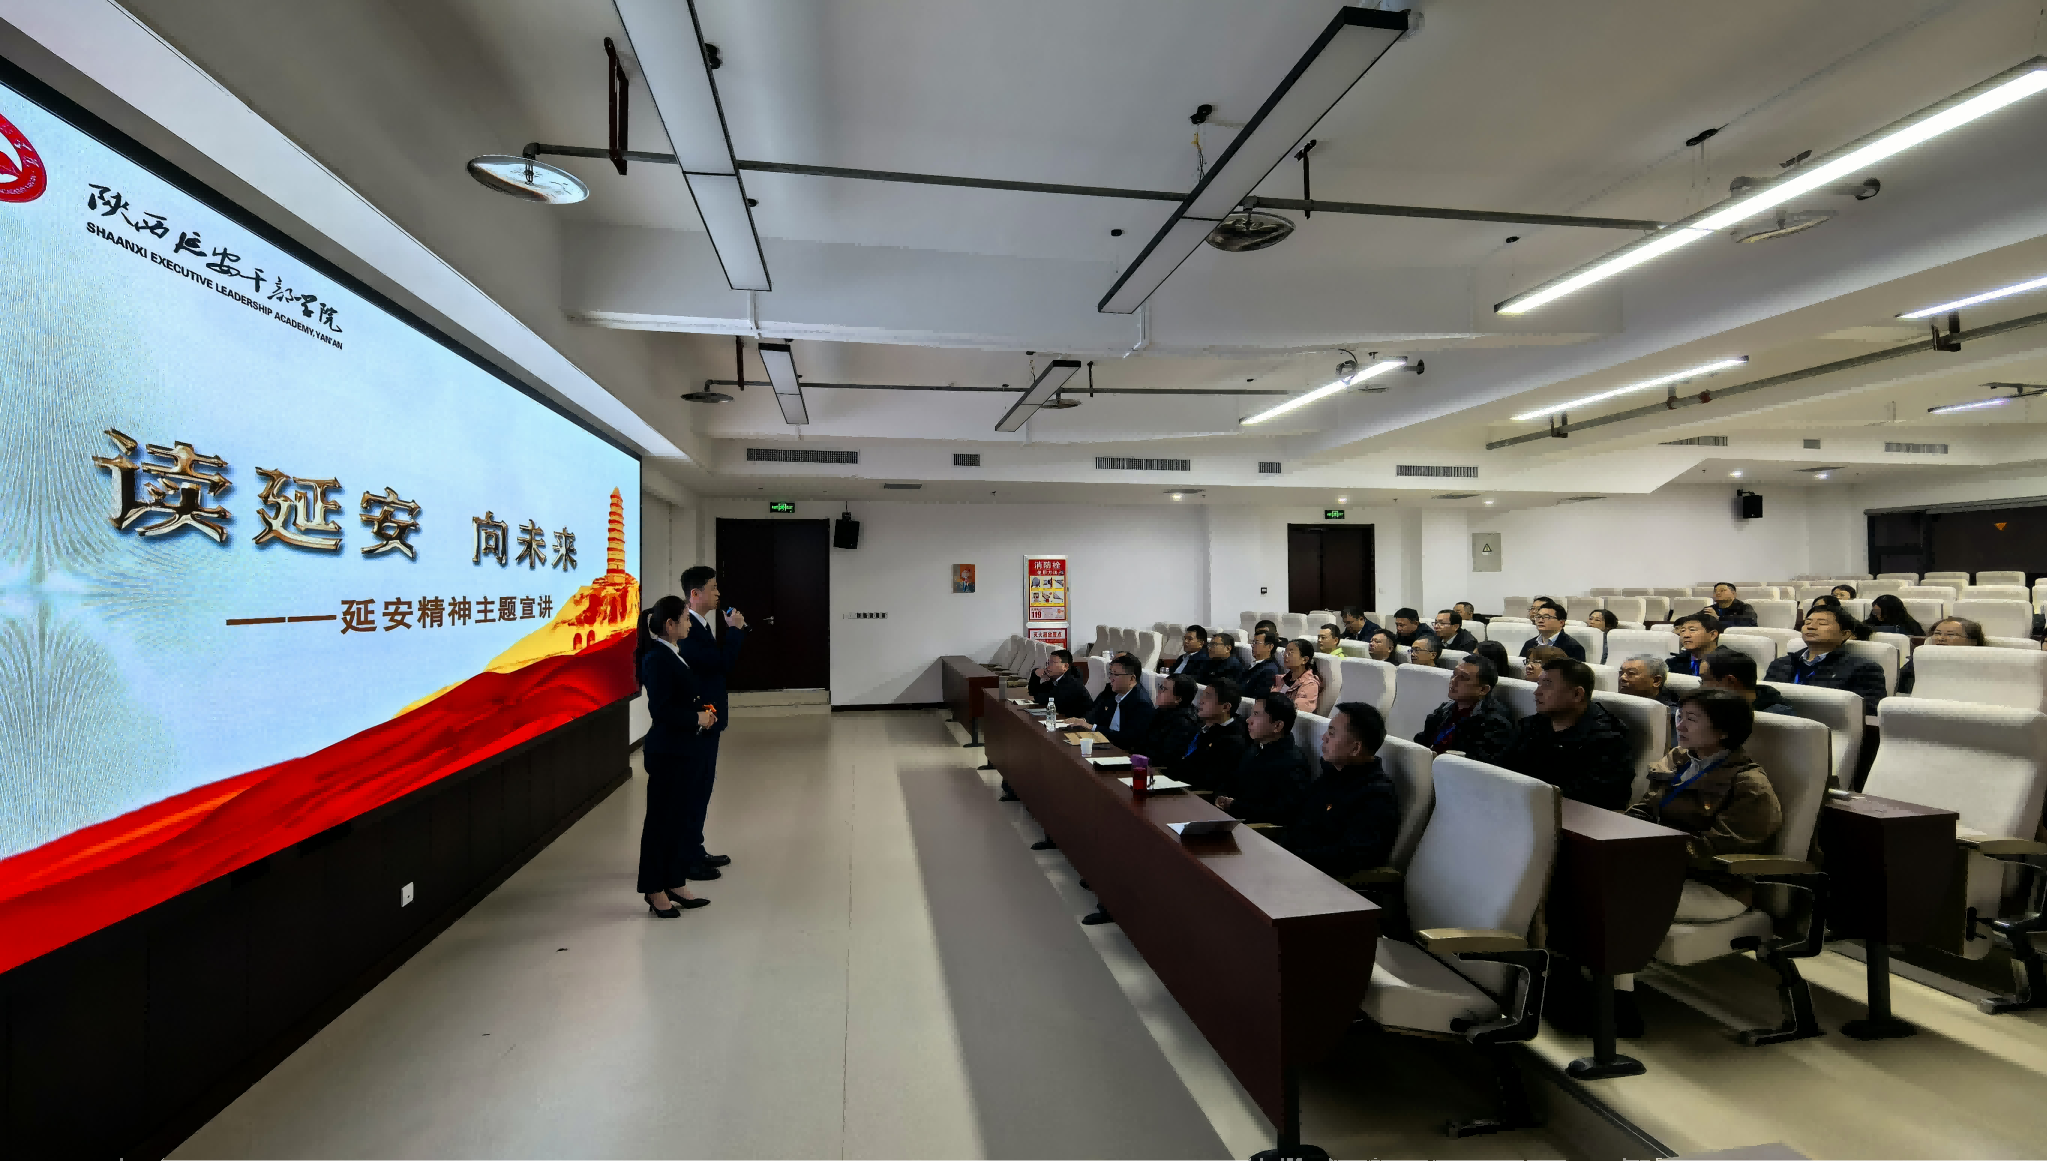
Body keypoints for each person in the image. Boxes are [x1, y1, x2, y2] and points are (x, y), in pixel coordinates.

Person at [1628, 689, 1782, 895]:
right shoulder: (1679, 757)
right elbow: (1647, 809)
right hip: (1657, 863)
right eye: (1680, 716)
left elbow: (1716, 851)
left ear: (1724, 731)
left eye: (1691, 719)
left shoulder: (1749, 784)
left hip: (1712, 882)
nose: (1680, 726)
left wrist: (1647, 848)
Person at [635, 596, 715, 916]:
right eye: (684, 618)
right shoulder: (656, 658)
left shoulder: (672, 652)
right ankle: (654, 889)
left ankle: (674, 881)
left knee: (678, 821)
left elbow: (680, 698)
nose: (689, 624)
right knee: (661, 823)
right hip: (667, 752)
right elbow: (662, 710)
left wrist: (702, 711)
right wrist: (697, 718)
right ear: (670, 625)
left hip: (682, 751)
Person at [676, 565, 746, 881]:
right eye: (713, 588)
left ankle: (696, 848)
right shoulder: (689, 628)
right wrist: (735, 631)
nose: (718, 593)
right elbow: (720, 665)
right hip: (699, 721)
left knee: (702, 787)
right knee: (694, 789)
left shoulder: (701, 625)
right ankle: (687, 857)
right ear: (695, 593)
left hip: (710, 718)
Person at [1281, 702, 1401, 882]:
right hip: (1290, 865)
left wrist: (1289, 857)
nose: (1323, 738)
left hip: (1320, 882)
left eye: (1331, 733)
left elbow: (1350, 856)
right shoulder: (1331, 775)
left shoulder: (1377, 796)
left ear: (1355, 748)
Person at [1498, 658, 1637, 810]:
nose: (1537, 692)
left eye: (1547, 685)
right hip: (1523, 806)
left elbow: (1602, 800)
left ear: (1577, 694)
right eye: (1539, 684)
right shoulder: (1531, 725)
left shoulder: (1608, 740)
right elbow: (1503, 768)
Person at [1764, 607, 1887, 714]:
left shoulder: (1864, 669)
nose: (1811, 626)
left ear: (1844, 634)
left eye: (1822, 623)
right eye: (1807, 622)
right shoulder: (1780, 664)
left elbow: (1867, 713)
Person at [1215, 694, 1311, 825]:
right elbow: (1229, 780)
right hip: (1226, 819)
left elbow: (1283, 814)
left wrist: (1235, 806)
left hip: (1251, 830)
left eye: (1256, 714)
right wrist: (1221, 796)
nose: (1248, 720)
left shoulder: (1293, 763)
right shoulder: (1255, 748)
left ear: (1277, 726)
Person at [1415, 656, 1514, 762]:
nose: (1453, 681)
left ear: (1483, 689)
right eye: (1454, 674)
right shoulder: (1445, 709)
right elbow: (1423, 741)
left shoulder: (1495, 723)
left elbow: (1478, 763)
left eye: (1463, 677)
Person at [1176, 677, 1249, 792]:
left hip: (1190, 794)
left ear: (1225, 707)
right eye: (1203, 695)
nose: (1201, 701)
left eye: (1208, 697)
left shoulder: (1232, 740)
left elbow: (1209, 782)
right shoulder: (1201, 725)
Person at [1081, 652, 1154, 751]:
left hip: (1123, 752)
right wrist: (1083, 722)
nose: (1111, 678)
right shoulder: (1114, 693)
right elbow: (1097, 714)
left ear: (1132, 679)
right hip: (1103, 743)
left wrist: (1092, 727)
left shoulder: (1141, 704)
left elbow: (1128, 739)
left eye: (1115, 674)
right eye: (1110, 673)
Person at [1897, 616, 1983, 694]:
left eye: (1950, 634)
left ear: (1972, 641)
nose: (1941, 638)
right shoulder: (1922, 657)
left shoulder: (1982, 662)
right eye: (1937, 633)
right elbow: (1900, 686)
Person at [1698, 648, 1792, 715]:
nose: (1700, 688)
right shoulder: (1712, 706)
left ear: (1730, 681)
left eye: (1704, 680)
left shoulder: (1777, 716)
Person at [1142, 674, 1202, 765]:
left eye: (1164, 689)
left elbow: (1165, 758)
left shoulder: (1184, 724)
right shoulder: (1164, 709)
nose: (1159, 691)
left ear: (1178, 699)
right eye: (1160, 686)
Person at [1028, 648, 1092, 718]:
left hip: (1077, 722)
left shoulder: (1072, 683)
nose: (1048, 667)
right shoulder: (1055, 679)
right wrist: (1035, 675)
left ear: (1065, 666)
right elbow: (1033, 693)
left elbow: (1044, 699)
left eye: (1052, 663)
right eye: (1048, 663)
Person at [1520, 601, 1587, 661]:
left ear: (1561, 623)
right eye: (1538, 616)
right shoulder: (1529, 644)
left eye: (1546, 617)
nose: (1540, 620)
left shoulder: (1574, 648)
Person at [1273, 638, 1323, 713]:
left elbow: (1298, 711)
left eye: (1290, 652)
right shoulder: (1281, 679)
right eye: (1285, 651)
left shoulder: (1310, 685)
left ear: (1304, 660)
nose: (1285, 655)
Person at [1666, 612, 1723, 677]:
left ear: (1712, 635)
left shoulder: (1727, 663)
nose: (1685, 635)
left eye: (1692, 630)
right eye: (1683, 631)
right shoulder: (1673, 663)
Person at [1242, 630, 1283, 698]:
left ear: (1270, 647)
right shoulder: (1255, 664)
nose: (1252, 645)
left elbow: (1259, 698)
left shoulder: (1270, 670)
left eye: (1256, 643)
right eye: (1252, 642)